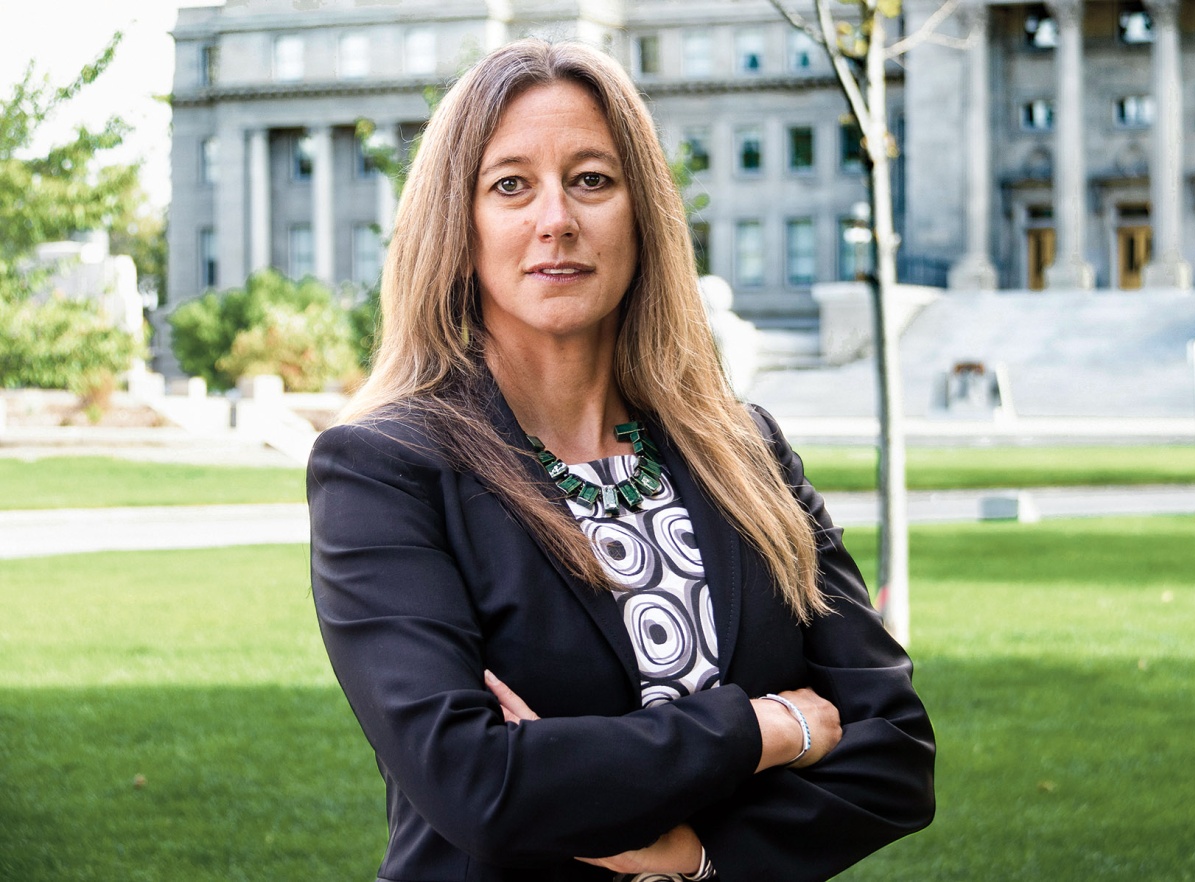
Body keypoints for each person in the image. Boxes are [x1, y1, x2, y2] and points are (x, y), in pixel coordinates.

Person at [308, 38, 935, 882]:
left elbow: (896, 751)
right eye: (510, 185)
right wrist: (768, 729)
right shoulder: (383, 471)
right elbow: (479, 786)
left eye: (593, 179)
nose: (555, 218)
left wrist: (703, 857)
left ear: (644, 214)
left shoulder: (744, 451)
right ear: (459, 225)